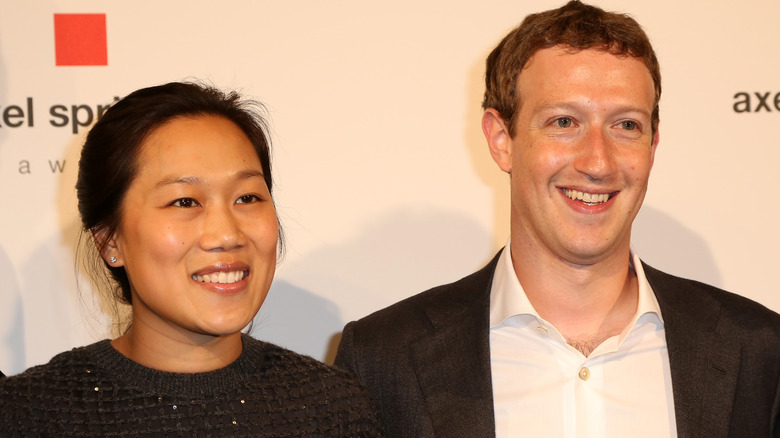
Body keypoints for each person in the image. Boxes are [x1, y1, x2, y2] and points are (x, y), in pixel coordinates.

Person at [334, 2, 780, 437]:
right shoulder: (382, 359)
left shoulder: (760, 351)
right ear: (500, 139)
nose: (598, 162)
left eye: (626, 125)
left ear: (653, 144)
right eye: (564, 121)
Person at [0, 82, 382, 437]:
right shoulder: (29, 414)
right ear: (108, 240)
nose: (227, 235)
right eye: (185, 202)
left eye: (247, 198)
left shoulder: (334, 408)